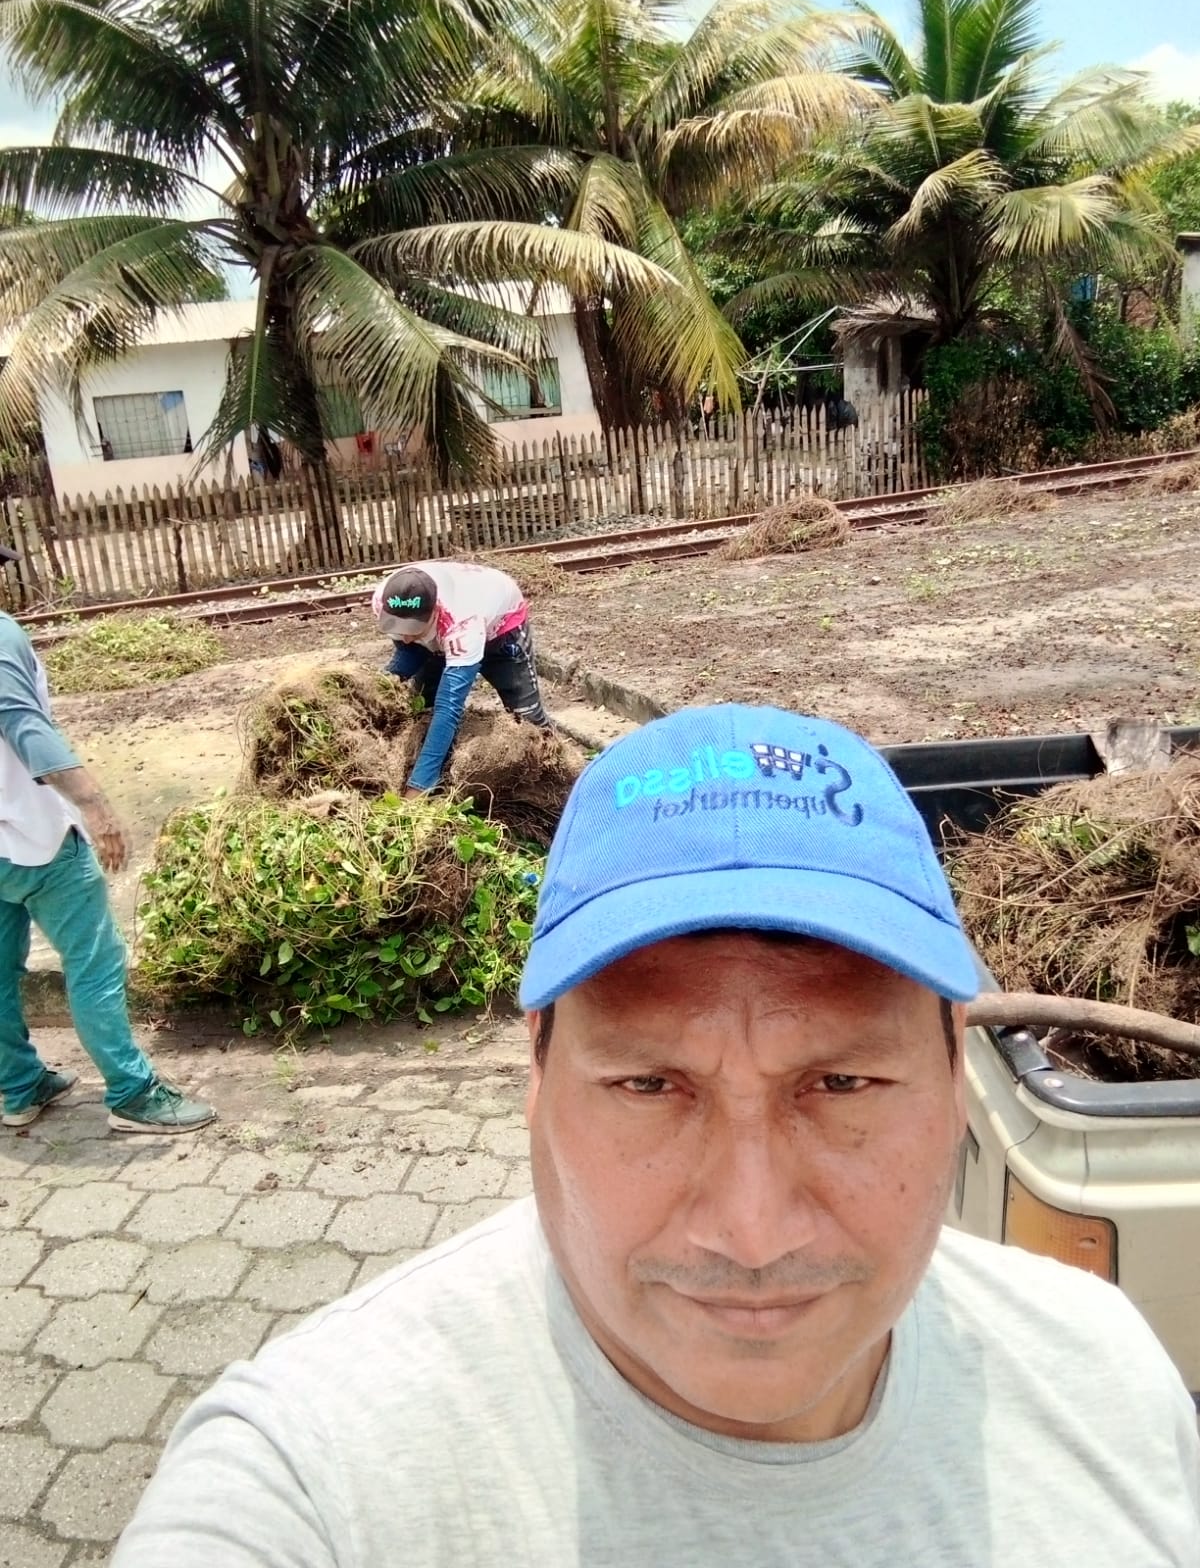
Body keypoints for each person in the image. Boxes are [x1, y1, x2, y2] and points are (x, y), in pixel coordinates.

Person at [113, 703, 1200, 1565]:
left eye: (841, 1082)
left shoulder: (1101, 1374)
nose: (753, 1230)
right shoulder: (317, 1477)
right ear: (537, 1076)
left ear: (954, 1074)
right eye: (648, 1084)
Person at [0, 610, 215, 1134]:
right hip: (35, 838)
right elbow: (25, 724)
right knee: (95, 964)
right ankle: (132, 1093)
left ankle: (19, 1086)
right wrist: (96, 806)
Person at [371, 559, 550, 797]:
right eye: (399, 627)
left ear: (435, 612)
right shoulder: (384, 600)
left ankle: (558, 781)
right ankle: (436, 777)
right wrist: (380, 686)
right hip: (442, 632)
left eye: (413, 629)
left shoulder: (463, 623)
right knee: (423, 707)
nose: (404, 637)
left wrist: (417, 789)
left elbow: (449, 708)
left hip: (500, 630)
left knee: (528, 720)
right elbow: (408, 649)